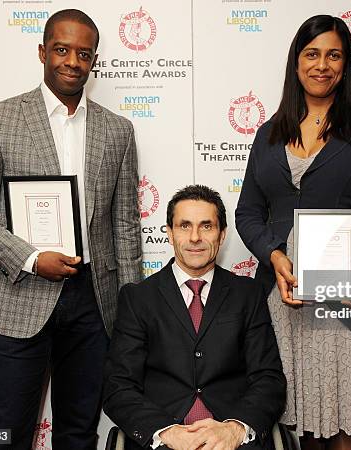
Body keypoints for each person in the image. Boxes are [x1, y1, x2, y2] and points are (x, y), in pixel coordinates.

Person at [0, 9, 141, 449]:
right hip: (19, 297)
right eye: (61, 49)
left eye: (83, 53)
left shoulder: (118, 130)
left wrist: (131, 310)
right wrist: (32, 259)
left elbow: (125, 225)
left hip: (94, 302)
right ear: (42, 52)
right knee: (0, 433)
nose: (72, 61)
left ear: (95, 60)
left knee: (78, 430)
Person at [235, 14, 351, 450]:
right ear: (296, 63)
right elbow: (248, 213)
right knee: (299, 426)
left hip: (346, 304)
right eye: (312, 54)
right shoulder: (267, 134)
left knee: (346, 429)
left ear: (345, 66)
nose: (321, 65)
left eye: (333, 55)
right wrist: (274, 255)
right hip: (283, 299)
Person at [103, 185, 286, 450]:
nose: (195, 237)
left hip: (231, 440)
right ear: (169, 232)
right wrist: (165, 432)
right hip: (163, 441)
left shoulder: (247, 294)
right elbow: (118, 387)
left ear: (222, 234)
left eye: (207, 226)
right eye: (184, 226)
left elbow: (268, 379)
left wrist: (235, 429)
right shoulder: (137, 298)